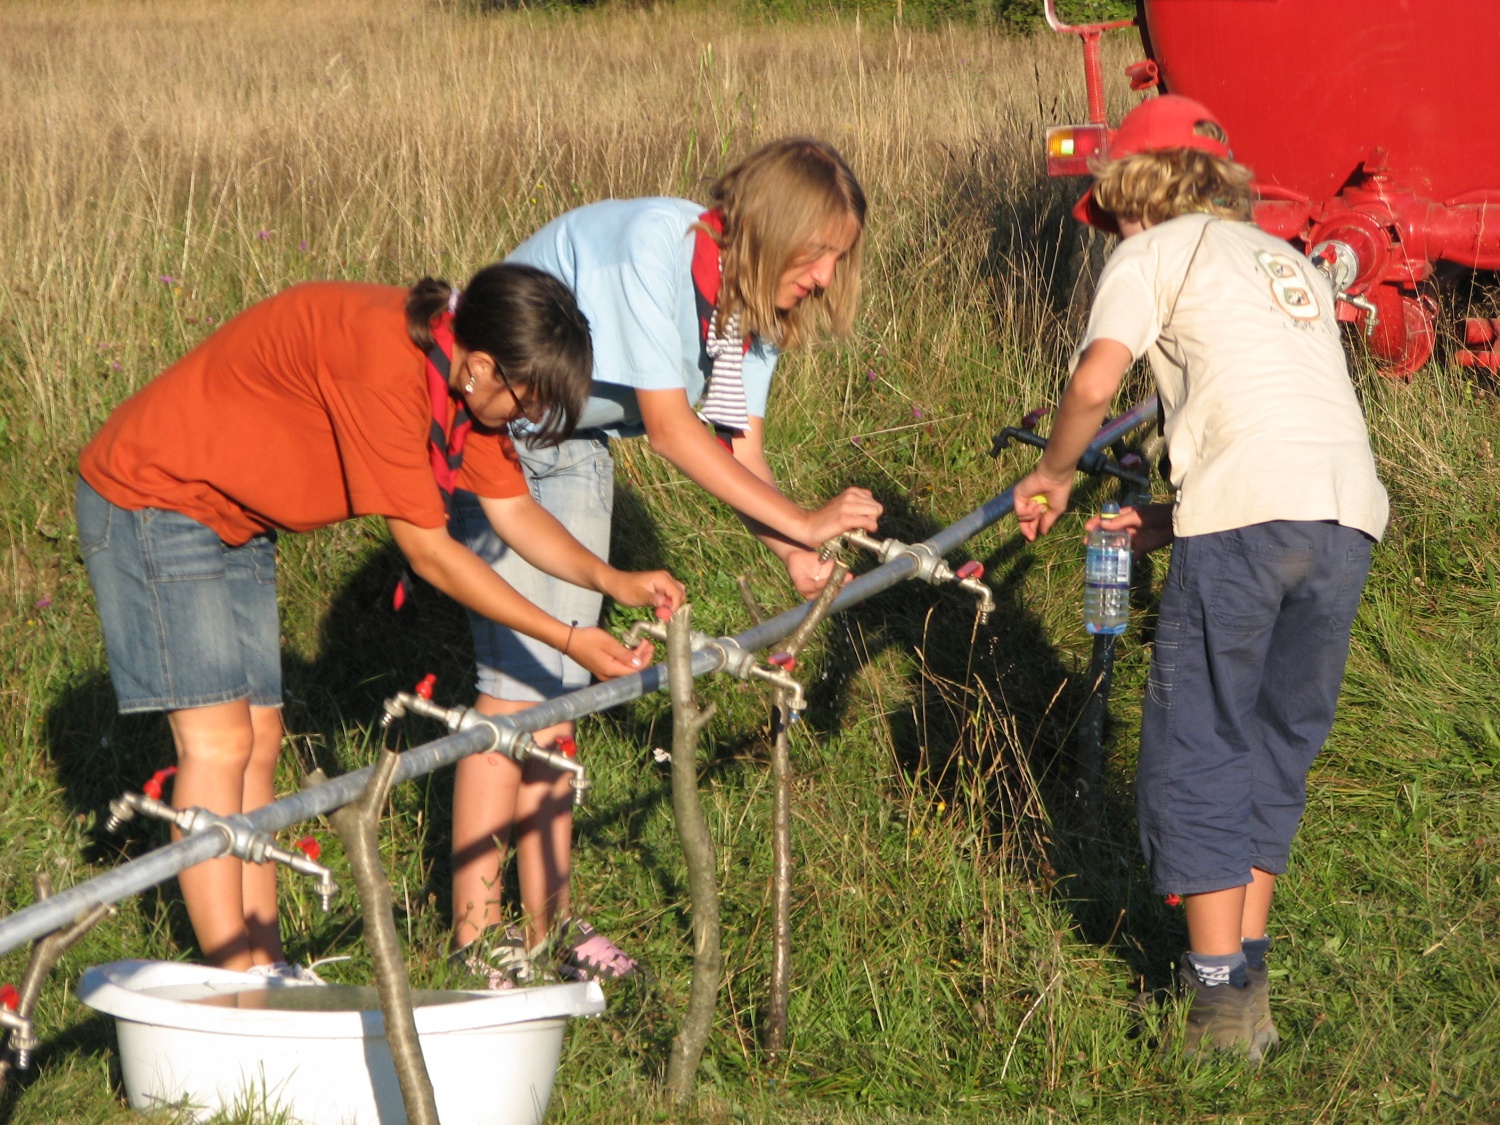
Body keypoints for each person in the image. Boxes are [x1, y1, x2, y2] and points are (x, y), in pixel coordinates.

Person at [77, 266, 684, 978]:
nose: (526, 417)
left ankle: (264, 962)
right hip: (156, 495)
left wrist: (612, 580)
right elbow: (431, 555)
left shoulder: (463, 377)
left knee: (261, 738)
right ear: (484, 365)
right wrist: (571, 637)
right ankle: (236, 986)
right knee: (218, 741)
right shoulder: (386, 363)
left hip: (237, 517)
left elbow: (515, 512)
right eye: (527, 398)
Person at [448, 137, 884, 984]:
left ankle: (551, 924)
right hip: (496, 434)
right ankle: (475, 938)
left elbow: (738, 448)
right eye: (821, 251)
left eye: (840, 257)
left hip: (572, 447)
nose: (829, 275)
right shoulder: (652, 248)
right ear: (774, 227)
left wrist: (797, 550)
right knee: (514, 688)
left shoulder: (752, 302)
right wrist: (804, 516)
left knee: (564, 691)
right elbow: (676, 431)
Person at [1010, 96, 1388, 1063]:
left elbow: (1096, 382)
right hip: (1346, 518)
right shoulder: (1287, 261)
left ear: (1131, 195)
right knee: (1275, 739)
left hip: (1255, 517)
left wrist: (1051, 474)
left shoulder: (1154, 252)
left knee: (1201, 739)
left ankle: (1216, 1003)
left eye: (1112, 213)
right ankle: (1250, 973)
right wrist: (1172, 521)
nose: (1114, 232)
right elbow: (1278, 428)